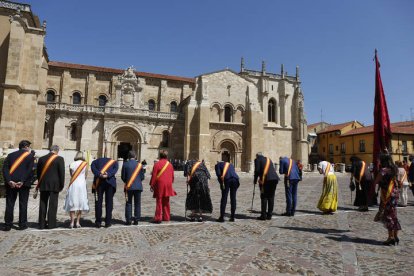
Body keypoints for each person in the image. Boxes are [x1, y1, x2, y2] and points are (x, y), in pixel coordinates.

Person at [2, 140, 35, 231]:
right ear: (26, 147)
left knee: (10, 204)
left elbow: (5, 169)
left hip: (11, 184)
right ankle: (22, 224)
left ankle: (8, 224)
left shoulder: (10, 155)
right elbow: (29, 170)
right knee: (23, 204)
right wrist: (22, 181)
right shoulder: (30, 156)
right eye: (28, 147)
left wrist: (9, 180)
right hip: (23, 184)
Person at [373, 154, 401, 246]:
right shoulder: (394, 169)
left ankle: (390, 237)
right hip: (395, 193)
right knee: (393, 214)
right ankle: (396, 236)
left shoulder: (383, 170)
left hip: (387, 194)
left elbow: (376, 181)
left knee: (388, 215)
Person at [36, 145, 65, 229]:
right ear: (57, 150)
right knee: (53, 205)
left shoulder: (41, 158)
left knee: (42, 204)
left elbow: (38, 173)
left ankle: (41, 224)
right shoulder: (59, 159)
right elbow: (61, 174)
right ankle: (51, 224)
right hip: (55, 185)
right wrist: (61, 185)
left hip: (43, 184)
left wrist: (40, 182)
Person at [63, 151, 89, 228]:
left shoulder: (72, 164)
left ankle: (71, 222)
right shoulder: (85, 164)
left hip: (73, 184)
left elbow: (72, 175)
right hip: (81, 185)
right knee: (80, 202)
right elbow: (85, 176)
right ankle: (77, 222)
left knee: (72, 202)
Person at [91, 155, 118, 228]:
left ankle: (98, 222)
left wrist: (100, 174)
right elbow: (114, 170)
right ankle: (108, 222)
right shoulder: (114, 162)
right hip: (110, 183)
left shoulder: (95, 162)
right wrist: (108, 175)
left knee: (98, 203)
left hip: (98, 183)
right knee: (109, 202)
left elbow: (93, 170)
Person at [149, 150, 176, 223]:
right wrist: (170, 183)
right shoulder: (170, 164)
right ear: (167, 156)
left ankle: (158, 217)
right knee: (166, 201)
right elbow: (172, 176)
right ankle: (166, 217)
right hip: (168, 184)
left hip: (160, 184)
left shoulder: (157, 164)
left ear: (160, 156)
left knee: (159, 200)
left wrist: (152, 184)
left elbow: (154, 175)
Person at [122, 151, 145, 225]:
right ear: (135, 156)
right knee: (137, 203)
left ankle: (128, 220)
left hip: (129, 187)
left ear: (128, 157)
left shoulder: (125, 164)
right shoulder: (139, 165)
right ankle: (136, 219)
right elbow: (142, 177)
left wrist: (128, 181)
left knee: (128, 203)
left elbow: (123, 177)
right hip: (138, 187)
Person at [254, 153, 279, 220]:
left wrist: (255, 180)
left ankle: (263, 215)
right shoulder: (268, 159)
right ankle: (269, 215)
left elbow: (257, 170)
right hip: (274, 179)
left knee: (264, 197)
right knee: (271, 197)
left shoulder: (257, 160)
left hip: (266, 180)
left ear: (257, 156)